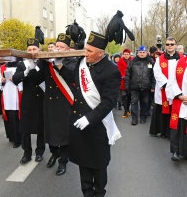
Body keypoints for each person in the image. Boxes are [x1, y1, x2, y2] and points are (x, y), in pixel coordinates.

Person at [57, 31, 121, 196]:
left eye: (90, 51)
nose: (85, 54)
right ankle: (87, 193)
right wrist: (59, 65)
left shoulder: (111, 71)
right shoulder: (82, 63)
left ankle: (99, 193)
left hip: (98, 126)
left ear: (101, 53)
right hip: (79, 122)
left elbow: (108, 102)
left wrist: (90, 118)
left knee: (98, 166)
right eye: (85, 50)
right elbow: (73, 78)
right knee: (83, 163)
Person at [29, 33, 78, 176]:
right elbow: (38, 79)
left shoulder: (72, 60)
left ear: (68, 49)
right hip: (49, 102)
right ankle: (54, 153)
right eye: (57, 46)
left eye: (62, 47)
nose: (58, 48)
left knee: (63, 133)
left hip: (64, 103)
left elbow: (72, 77)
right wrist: (32, 67)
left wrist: (59, 64)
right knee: (49, 132)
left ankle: (63, 161)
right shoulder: (47, 61)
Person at [12, 38, 45, 164]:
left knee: (41, 128)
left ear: (39, 50)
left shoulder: (43, 63)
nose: (31, 51)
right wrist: (26, 71)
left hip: (41, 99)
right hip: (28, 100)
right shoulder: (21, 64)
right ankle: (27, 153)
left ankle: (39, 152)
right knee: (25, 129)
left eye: (34, 49)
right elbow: (15, 79)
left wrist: (35, 68)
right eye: (29, 50)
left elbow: (42, 78)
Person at [150, 37, 182, 139]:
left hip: (178, 90)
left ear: (176, 46)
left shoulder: (182, 59)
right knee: (162, 111)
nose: (169, 46)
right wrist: (167, 85)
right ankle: (162, 131)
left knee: (175, 110)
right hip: (163, 89)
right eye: (168, 44)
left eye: (172, 44)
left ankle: (173, 131)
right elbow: (157, 73)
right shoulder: (160, 59)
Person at [125, 46, 155, 125]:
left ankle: (143, 117)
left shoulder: (150, 62)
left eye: (143, 52)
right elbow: (128, 75)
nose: (142, 54)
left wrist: (153, 86)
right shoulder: (133, 62)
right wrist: (127, 86)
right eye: (140, 52)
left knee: (145, 103)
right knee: (134, 102)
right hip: (134, 86)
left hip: (146, 87)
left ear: (146, 53)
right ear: (138, 53)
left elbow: (153, 75)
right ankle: (134, 119)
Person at [0, 61, 22, 148]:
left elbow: (23, 79)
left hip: (16, 94)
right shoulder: (2, 67)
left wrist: (15, 80)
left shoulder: (20, 65)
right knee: (9, 117)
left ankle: (18, 139)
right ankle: (11, 137)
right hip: (6, 95)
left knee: (16, 117)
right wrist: (1, 80)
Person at [166, 56, 187, 161]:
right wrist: (179, 95)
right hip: (180, 100)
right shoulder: (179, 63)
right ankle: (176, 151)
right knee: (177, 127)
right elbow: (172, 81)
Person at [117, 49, 132, 118]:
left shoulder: (132, 61)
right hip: (123, 81)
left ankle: (128, 110)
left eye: (127, 54)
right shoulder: (120, 62)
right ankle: (125, 111)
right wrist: (123, 76)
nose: (126, 56)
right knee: (124, 96)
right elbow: (119, 70)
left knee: (129, 97)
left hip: (130, 81)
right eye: (125, 54)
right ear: (123, 55)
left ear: (129, 54)